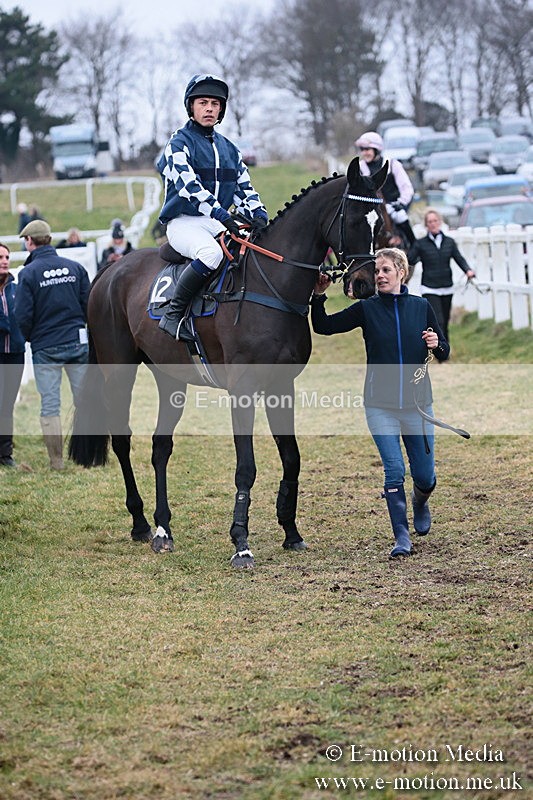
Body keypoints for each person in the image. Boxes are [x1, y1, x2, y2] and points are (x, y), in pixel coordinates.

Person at [311, 247, 450, 559]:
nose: (380, 276)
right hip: (380, 404)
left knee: (425, 477)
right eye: (377, 272)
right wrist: (318, 296)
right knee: (394, 469)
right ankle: (401, 536)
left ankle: (420, 501)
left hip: (418, 405)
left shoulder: (421, 306)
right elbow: (324, 326)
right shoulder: (367, 309)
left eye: (386, 270)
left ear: (401, 272)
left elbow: (444, 351)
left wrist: (437, 343)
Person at [156, 73, 269, 340]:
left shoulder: (230, 149)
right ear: (191, 107)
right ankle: (173, 315)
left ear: (221, 110)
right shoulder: (178, 143)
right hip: (184, 222)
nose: (209, 108)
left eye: (215, 104)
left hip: (217, 221)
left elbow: (244, 189)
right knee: (211, 255)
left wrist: (260, 215)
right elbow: (189, 188)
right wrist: (221, 214)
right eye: (203, 102)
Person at [14, 220, 90, 470]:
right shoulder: (75, 268)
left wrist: (27, 338)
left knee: (50, 404)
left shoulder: (28, 274)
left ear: (29, 242)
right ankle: (89, 455)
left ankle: (56, 461)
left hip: (46, 346)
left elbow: (23, 315)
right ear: (48, 238)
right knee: (85, 399)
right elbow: (88, 306)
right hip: (77, 342)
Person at [407, 208, 475, 343]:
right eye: (429, 221)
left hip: (447, 286)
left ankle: (444, 348)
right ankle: (440, 352)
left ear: (440, 222)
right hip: (429, 287)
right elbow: (410, 260)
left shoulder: (449, 242)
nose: (432, 224)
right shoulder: (420, 244)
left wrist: (468, 270)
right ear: (426, 224)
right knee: (438, 320)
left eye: (435, 221)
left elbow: (459, 258)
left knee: (445, 320)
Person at [355, 131, 416, 247]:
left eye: (367, 149)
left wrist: (402, 203)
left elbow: (406, 187)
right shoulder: (359, 168)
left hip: (391, 206)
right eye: (362, 149)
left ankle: (414, 247)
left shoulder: (393, 164)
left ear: (376, 149)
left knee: (401, 217)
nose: (364, 153)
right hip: (368, 208)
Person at [0, 243, 26, 467]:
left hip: (15, 353)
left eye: (7, 256)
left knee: (7, 404)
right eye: (0, 257)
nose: (5, 260)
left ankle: (5, 452)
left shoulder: (16, 287)